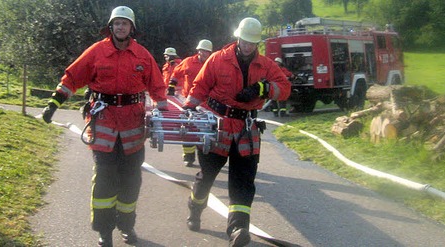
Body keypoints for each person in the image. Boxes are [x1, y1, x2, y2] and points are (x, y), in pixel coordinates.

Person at [40, 6, 168, 247]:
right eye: (116, 23)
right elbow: (72, 78)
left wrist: (164, 110)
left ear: (132, 28)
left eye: (125, 23)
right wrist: (53, 104)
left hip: (133, 128)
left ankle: (127, 225)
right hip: (103, 125)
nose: (120, 27)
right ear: (111, 27)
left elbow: (157, 86)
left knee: (131, 179)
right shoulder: (97, 51)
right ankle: (104, 230)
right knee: (105, 179)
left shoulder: (142, 55)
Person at [182, 17, 290, 246]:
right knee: (206, 176)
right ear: (237, 37)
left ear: (257, 43)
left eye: (252, 42)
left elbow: (285, 90)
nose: (247, 45)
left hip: (246, 129)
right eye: (244, 40)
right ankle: (195, 208)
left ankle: (238, 229)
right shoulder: (218, 59)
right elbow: (200, 86)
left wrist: (264, 88)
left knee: (243, 182)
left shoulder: (266, 66)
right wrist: (189, 106)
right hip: (217, 125)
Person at [169, 39, 214, 167]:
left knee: (206, 128)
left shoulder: (213, 64)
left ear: (210, 53)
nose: (203, 53)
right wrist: (172, 86)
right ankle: (189, 156)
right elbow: (176, 73)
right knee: (187, 127)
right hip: (189, 101)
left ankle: (206, 155)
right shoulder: (188, 62)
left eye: (206, 51)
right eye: (202, 50)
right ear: (198, 50)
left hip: (207, 103)